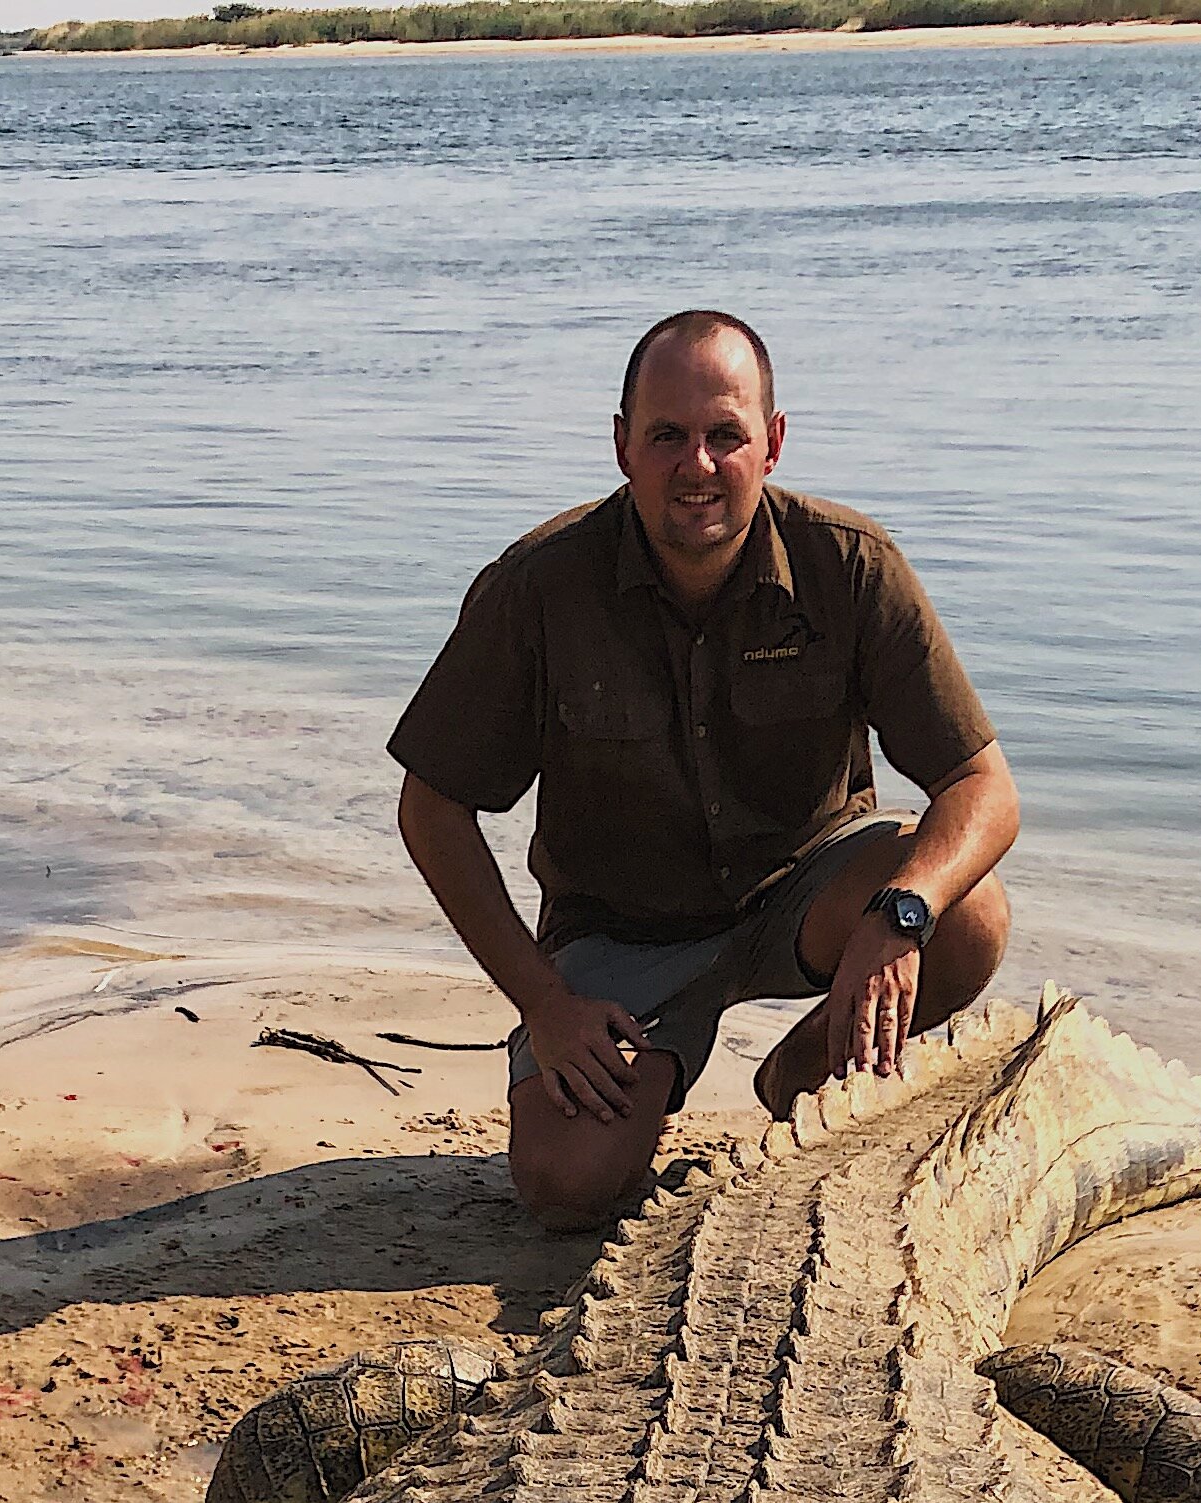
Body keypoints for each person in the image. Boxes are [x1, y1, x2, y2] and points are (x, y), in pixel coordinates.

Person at [392, 307, 1019, 1227]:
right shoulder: (536, 589)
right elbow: (432, 809)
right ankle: (625, 1084)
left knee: (971, 914)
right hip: (620, 937)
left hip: (808, 897)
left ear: (771, 443)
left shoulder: (852, 567)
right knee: (567, 1189)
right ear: (621, 447)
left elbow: (983, 788)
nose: (698, 466)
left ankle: (800, 1073)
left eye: (725, 436)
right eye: (667, 436)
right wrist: (545, 1005)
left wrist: (902, 914)